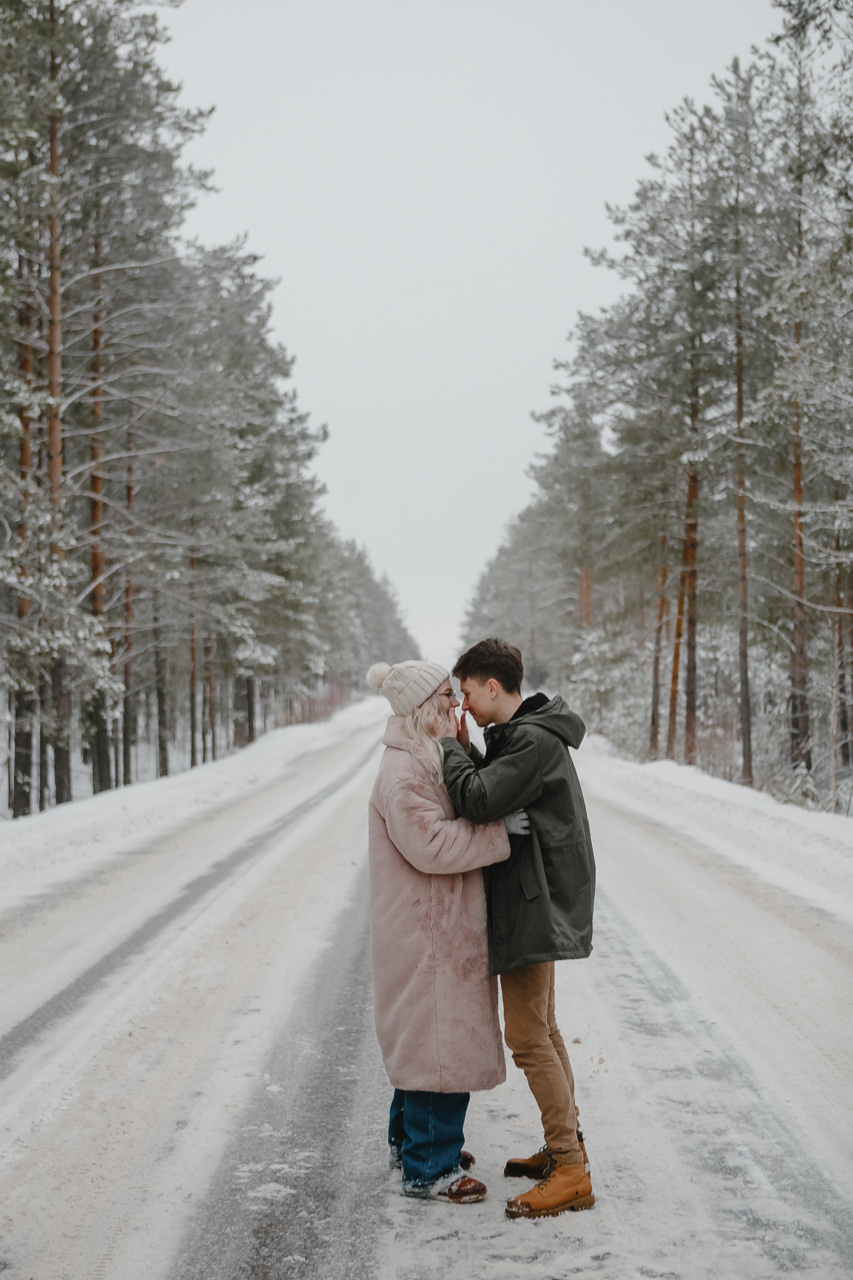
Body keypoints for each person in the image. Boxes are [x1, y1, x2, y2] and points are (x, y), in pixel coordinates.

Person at [439, 637, 596, 1220]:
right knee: (545, 1030)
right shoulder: (524, 736)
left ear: (493, 687)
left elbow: (478, 800)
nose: (464, 703)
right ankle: (567, 1149)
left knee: (529, 1038)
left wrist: (451, 751)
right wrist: (472, 751)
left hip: (535, 904)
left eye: (467, 692)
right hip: (540, 899)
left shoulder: (527, 740)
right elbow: (497, 788)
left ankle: (571, 1171)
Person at [367, 657, 528, 1204]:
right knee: (439, 1047)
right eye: (442, 698)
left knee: (422, 1042)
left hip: (431, 926)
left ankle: (412, 1143)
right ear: (418, 709)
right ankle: (428, 1167)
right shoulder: (405, 771)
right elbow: (432, 846)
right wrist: (496, 830)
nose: (453, 706)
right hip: (426, 932)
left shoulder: (419, 756)